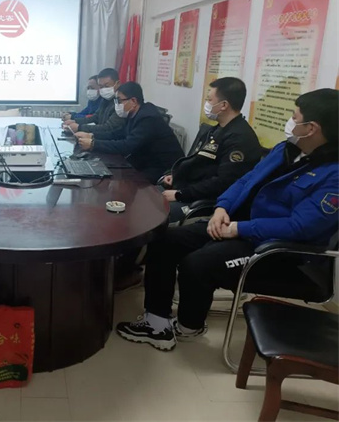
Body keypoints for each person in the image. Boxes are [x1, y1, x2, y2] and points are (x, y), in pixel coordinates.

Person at [116, 88, 339, 351]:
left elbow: (299, 226)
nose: (290, 122)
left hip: (279, 251)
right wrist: (222, 208)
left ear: (311, 128)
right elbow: (245, 181)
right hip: (240, 227)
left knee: (197, 264)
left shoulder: (333, 174)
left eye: (295, 116)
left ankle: (189, 325)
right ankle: (156, 323)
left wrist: (237, 228)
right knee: (164, 240)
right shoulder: (286, 150)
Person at [159, 77, 262, 223]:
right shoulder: (218, 129)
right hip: (186, 188)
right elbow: (199, 162)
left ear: (224, 105)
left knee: (153, 210)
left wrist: (180, 194)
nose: (206, 104)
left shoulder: (240, 139)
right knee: (147, 197)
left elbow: (222, 183)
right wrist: (176, 175)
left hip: (202, 202)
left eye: (209, 100)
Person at [76, 82, 184, 184]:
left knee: (124, 181)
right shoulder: (134, 113)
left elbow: (127, 146)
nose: (117, 105)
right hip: (145, 162)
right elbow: (118, 133)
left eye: (119, 101)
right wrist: (91, 135)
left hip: (165, 170)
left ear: (133, 101)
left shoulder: (148, 118)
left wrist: (93, 144)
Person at [63, 68, 124, 134]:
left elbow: (108, 127)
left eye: (106, 86)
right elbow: (95, 117)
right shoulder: (105, 99)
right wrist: (75, 121)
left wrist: (80, 127)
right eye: (101, 87)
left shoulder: (121, 102)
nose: (103, 89)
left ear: (118, 84)